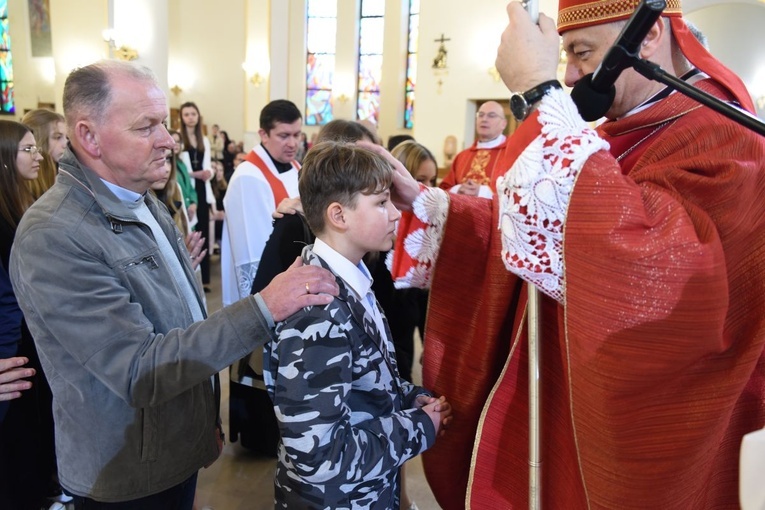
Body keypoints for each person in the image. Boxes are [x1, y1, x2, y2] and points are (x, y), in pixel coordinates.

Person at [381, 0, 765, 508]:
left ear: (646, 37)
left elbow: (655, 274)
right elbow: (555, 234)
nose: (572, 73)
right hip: (569, 388)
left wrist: (542, 94)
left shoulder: (722, 133)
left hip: (646, 416)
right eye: (565, 57)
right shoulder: (623, 128)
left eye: (582, 52)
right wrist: (438, 209)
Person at [8, 60, 338, 509]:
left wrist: (205, 424)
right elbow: (138, 369)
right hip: (124, 471)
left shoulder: (143, 199)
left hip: (174, 448)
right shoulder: (55, 234)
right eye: (146, 127)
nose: (167, 140)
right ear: (88, 136)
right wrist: (264, 307)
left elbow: (183, 317)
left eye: (163, 123)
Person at [263, 140, 452, 509]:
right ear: (339, 215)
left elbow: (362, 383)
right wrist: (418, 428)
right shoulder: (316, 308)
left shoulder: (350, 279)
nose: (397, 214)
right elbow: (318, 456)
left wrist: (409, 399)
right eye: (381, 203)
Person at [0, 119, 59, 510]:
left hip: (22, 344)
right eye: (27, 149)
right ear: (5, 160)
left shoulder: (19, 207)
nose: (37, 153)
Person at [221, 99, 302, 308]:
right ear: (263, 134)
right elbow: (252, 252)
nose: (293, 143)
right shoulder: (248, 177)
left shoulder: (295, 167)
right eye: (284, 136)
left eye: (297, 134)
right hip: (268, 295)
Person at [438, 100, 509, 198]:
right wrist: (458, 189)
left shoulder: (512, 155)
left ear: (503, 124)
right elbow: (444, 189)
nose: (484, 119)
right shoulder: (462, 156)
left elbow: (517, 194)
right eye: (480, 115)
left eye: (491, 115)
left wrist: (483, 192)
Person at [180, 101, 215, 291]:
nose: (190, 117)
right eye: (186, 114)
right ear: (182, 118)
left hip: (202, 188)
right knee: (191, 232)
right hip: (188, 188)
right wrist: (195, 174)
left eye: (193, 114)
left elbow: (208, 164)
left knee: (204, 232)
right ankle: (192, 274)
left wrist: (209, 172)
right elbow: (180, 168)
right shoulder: (181, 140)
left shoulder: (205, 140)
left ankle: (206, 279)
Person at [21, 108, 67, 199]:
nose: (65, 144)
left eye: (67, 137)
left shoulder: (64, 171)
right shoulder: (22, 186)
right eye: (57, 137)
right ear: (38, 140)